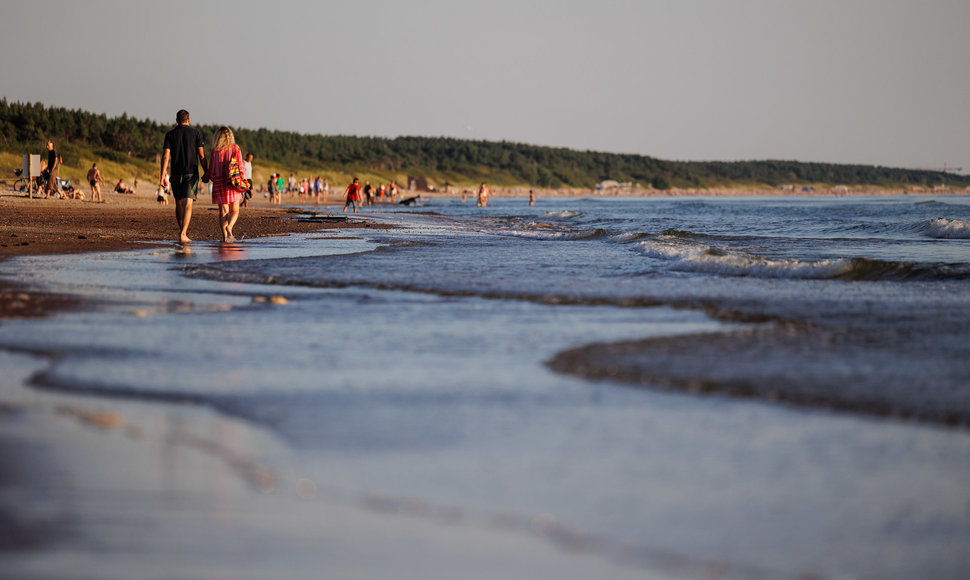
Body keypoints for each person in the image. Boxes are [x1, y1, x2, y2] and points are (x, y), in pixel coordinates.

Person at [160, 109, 207, 243]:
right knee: (188, 204)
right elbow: (202, 156)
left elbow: (165, 156)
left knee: (178, 203)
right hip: (191, 174)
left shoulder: (170, 134)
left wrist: (163, 175)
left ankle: (182, 231)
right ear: (188, 120)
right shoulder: (196, 133)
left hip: (175, 173)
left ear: (177, 120)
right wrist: (207, 172)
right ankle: (183, 233)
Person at [207, 127, 246, 242]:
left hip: (219, 183)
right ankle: (230, 227)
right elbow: (240, 165)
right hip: (232, 181)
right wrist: (243, 178)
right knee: (235, 210)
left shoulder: (215, 150)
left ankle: (225, 237)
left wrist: (209, 176)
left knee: (223, 211)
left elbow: (211, 168)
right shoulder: (235, 148)